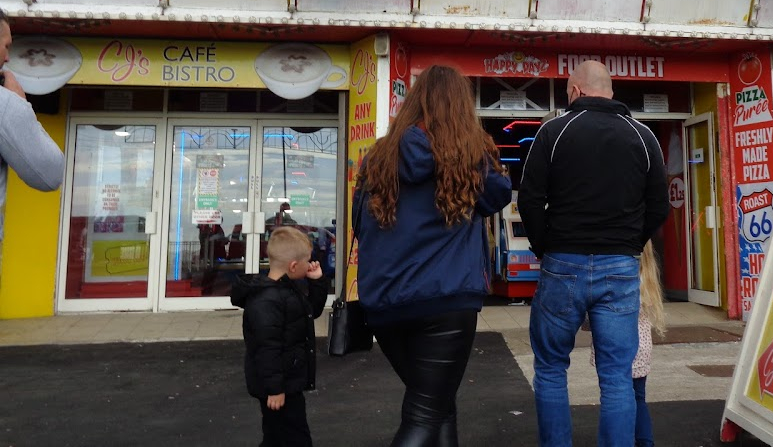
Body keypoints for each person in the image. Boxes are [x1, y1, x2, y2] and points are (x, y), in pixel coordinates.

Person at [354, 64, 512, 447]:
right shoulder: (468, 156)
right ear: (460, 105)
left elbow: (360, 224)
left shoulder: (378, 157)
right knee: (425, 414)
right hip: (445, 301)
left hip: (385, 303)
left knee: (439, 404)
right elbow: (499, 196)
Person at [518, 60, 669, 447]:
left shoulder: (552, 133)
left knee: (551, 367)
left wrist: (544, 248)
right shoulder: (644, 137)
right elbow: (659, 206)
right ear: (610, 92)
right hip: (620, 267)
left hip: (562, 263)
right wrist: (631, 245)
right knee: (617, 375)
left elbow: (531, 201)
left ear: (574, 90)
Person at [231, 226, 330, 447]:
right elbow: (267, 349)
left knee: (277, 436)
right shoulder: (267, 301)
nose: (310, 264)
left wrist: (317, 281)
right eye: (307, 261)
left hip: (287, 382)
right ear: (293, 266)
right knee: (295, 437)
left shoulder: (288, 291)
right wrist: (275, 389)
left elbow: (311, 310)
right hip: (278, 386)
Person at [590, 241, 668, 447]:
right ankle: (645, 441)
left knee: (613, 394)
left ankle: (616, 440)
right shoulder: (647, 278)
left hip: (616, 342)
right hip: (641, 345)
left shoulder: (618, 277)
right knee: (638, 397)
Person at [0, 9, 65, 252]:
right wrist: (19, 104)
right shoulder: (4, 104)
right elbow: (49, 172)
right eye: (6, 46)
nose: (7, 58)